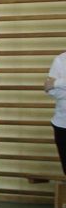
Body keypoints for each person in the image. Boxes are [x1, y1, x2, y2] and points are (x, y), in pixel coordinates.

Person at [47, 49, 66, 181]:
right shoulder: (60, 59)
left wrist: (57, 82)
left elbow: (52, 85)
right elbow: (50, 90)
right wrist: (53, 85)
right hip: (62, 123)